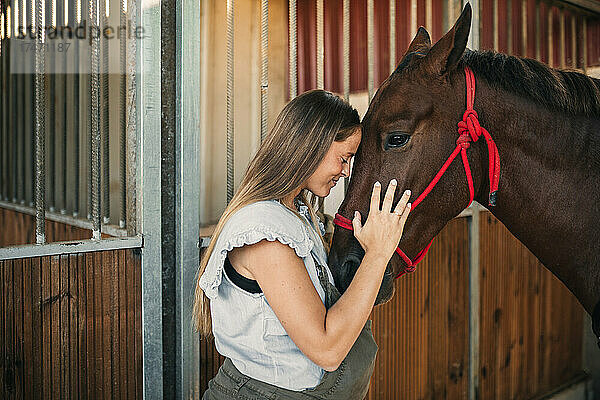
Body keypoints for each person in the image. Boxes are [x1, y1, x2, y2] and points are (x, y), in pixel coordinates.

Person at [194, 89, 412, 399]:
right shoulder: (264, 232)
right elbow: (327, 349)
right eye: (345, 157)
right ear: (312, 146)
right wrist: (378, 255)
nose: (346, 171)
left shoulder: (298, 215)